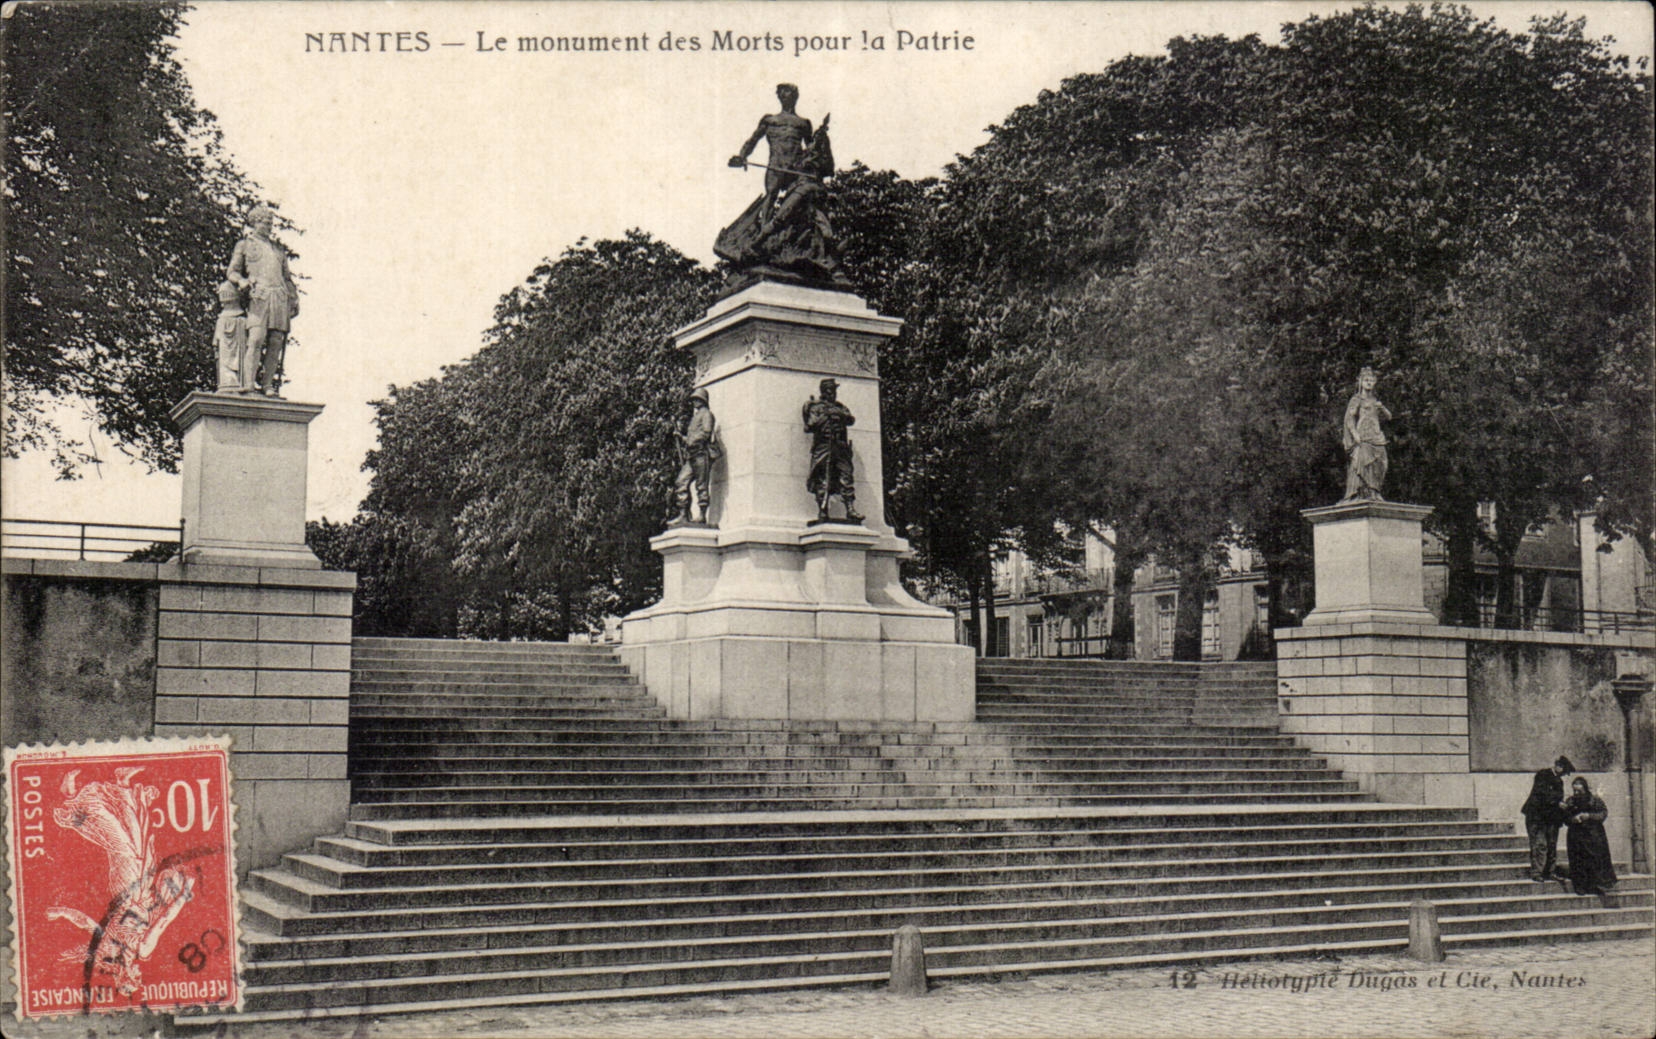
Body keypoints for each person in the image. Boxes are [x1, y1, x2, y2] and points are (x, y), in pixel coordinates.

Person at [226, 205, 299, 397]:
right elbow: (232, 272)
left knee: (276, 341)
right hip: (259, 296)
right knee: (256, 338)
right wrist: (241, 281)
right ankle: (248, 383)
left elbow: (287, 278)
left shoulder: (278, 250)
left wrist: (294, 298)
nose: (268, 226)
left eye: (270, 223)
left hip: (279, 297)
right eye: (264, 223)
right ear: (254, 223)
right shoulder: (245, 245)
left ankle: (268, 384)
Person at [730, 84, 814, 224]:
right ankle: (764, 229)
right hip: (776, 166)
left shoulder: (803, 123)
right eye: (781, 92)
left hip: (796, 168)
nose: (784, 94)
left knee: (799, 201)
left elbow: (811, 148)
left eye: (787, 91)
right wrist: (742, 156)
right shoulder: (770, 121)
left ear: (795, 96)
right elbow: (753, 140)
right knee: (770, 197)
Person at [803, 378, 861, 523]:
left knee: (846, 477)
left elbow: (850, 419)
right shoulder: (816, 407)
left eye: (834, 391)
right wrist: (825, 416)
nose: (833, 394)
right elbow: (810, 425)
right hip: (823, 446)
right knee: (823, 478)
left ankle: (850, 509)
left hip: (840, 447)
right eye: (830, 391)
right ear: (824, 392)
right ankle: (823, 511)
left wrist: (838, 414)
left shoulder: (840, 407)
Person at [1341, 366, 1391, 501]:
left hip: (1377, 436)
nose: (1369, 383)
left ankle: (1375, 490)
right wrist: (1354, 434)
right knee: (1363, 463)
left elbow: (1389, 417)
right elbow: (1349, 419)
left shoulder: (1375, 401)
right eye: (1366, 380)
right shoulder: (1357, 399)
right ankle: (1364, 492)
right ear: (1361, 382)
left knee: (1382, 462)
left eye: (1371, 380)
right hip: (1363, 436)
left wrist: (1382, 408)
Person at [1520, 755, 1573, 881]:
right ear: (1558, 765)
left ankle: (1550, 872)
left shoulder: (1559, 781)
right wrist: (1557, 803)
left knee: (1552, 845)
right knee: (1540, 845)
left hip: (1551, 819)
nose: (1564, 775)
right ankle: (1537, 873)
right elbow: (1542, 794)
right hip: (1536, 817)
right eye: (1564, 771)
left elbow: (1557, 799)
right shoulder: (1542, 775)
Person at [1563, 776, 1618, 895]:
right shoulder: (1570, 801)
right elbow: (1565, 817)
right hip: (1576, 836)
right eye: (1574, 791)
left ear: (1585, 789)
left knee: (1594, 860)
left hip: (1593, 835)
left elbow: (1603, 813)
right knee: (1578, 861)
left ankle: (1595, 885)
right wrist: (1573, 819)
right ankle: (1580, 886)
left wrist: (1589, 816)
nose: (1576, 793)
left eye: (1579, 791)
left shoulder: (1595, 800)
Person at [670, 387, 718, 525]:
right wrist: (681, 437)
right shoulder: (695, 417)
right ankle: (683, 514)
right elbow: (692, 437)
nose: (694, 402)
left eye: (697, 399)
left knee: (701, 485)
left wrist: (691, 441)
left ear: (703, 400)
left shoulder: (707, 414)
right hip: (692, 456)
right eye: (694, 399)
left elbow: (706, 433)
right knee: (681, 482)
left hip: (701, 454)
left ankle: (702, 515)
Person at [212, 280, 250, 392]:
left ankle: (239, 381)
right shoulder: (223, 320)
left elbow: (215, 342)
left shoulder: (241, 320)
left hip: (239, 352)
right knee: (225, 368)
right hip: (225, 355)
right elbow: (216, 341)